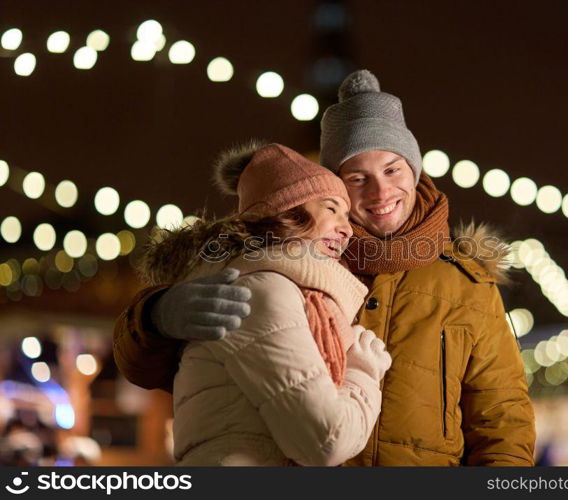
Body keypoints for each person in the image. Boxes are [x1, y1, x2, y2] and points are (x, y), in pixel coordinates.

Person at [114, 70, 536, 466]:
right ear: (332, 185)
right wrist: (156, 316)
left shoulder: (466, 281)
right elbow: (159, 371)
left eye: (392, 169)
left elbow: (502, 416)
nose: (380, 191)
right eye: (356, 178)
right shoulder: (289, 257)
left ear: (415, 169)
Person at [137, 142, 391, 466]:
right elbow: (325, 441)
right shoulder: (260, 291)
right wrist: (364, 369)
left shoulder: (290, 289)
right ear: (287, 211)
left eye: (347, 215)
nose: (347, 230)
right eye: (331, 208)